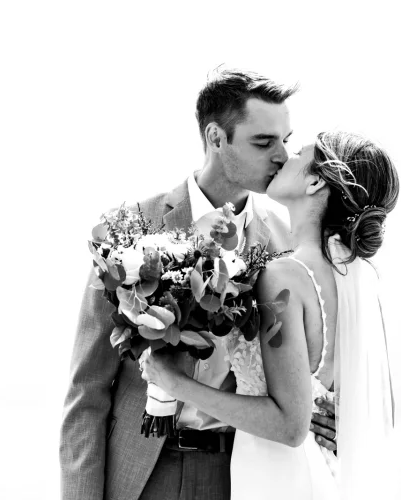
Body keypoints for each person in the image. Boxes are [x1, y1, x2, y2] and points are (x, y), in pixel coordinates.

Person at [60, 68, 339, 500]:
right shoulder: (131, 229)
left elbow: (298, 374)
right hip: (138, 474)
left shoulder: (286, 244)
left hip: (240, 474)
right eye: (263, 142)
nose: (282, 156)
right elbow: (86, 390)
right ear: (215, 137)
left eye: (285, 140)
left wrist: (327, 411)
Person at [141, 130, 399, 499]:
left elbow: (290, 425)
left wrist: (175, 383)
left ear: (314, 181)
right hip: (320, 471)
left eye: (296, 153)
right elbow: (364, 398)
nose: (282, 157)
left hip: (279, 475)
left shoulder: (284, 276)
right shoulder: (357, 278)